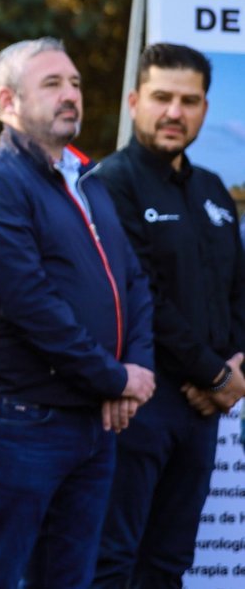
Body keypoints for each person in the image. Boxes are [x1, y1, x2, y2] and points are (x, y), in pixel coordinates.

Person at [0, 37, 156, 588]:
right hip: (18, 418)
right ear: (6, 102)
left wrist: (133, 372)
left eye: (75, 84)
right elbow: (31, 305)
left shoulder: (88, 181)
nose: (71, 95)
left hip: (92, 418)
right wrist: (115, 378)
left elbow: (132, 280)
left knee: (68, 579)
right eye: (52, 84)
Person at [92, 43, 245, 587]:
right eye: (161, 97)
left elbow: (236, 293)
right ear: (135, 101)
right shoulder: (109, 184)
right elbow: (141, 299)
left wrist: (233, 369)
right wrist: (215, 374)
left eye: (190, 100)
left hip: (202, 412)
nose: (175, 112)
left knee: (170, 561)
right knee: (113, 560)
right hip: (139, 405)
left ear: (205, 107)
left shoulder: (213, 192)